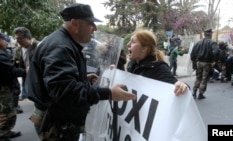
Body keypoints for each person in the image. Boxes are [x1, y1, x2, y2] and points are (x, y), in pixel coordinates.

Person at [26, 3, 136, 141]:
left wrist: (81, 78)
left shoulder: (62, 42)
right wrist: (108, 93)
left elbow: (57, 82)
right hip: (59, 125)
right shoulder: (60, 47)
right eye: (90, 23)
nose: (95, 28)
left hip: (58, 120)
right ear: (75, 23)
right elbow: (66, 92)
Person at [126, 29, 188, 96]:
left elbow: (176, 87)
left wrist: (182, 86)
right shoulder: (131, 65)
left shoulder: (159, 68)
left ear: (144, 48)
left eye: (133, 42)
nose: (128, 44)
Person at [0, 32, 26, 141]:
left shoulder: (3, 53)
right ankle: (3, 134)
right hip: (3, 88)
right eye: (4, 40)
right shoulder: (0, 55)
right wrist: (24, 71)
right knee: (7, 114)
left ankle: (6, 132)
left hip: (5, 86)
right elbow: (10, 71)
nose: (6, 42)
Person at [190, 29, 219, 100]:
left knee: (198, 77)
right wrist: (214, 61)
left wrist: (194, 63)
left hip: (199, 62)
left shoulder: (198, 42)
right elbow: (216, 52)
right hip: (207, 63)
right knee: (204, 78)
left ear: (205, 34)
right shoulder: (212, 43)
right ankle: (200, 94)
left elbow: (192, 54)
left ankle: (194, 93)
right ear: (210, 34)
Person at [12, 27, 39, 101]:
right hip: (26, 75)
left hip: (38, 75)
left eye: (19, 38)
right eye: (16, 39)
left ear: (27, 37)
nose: (17, 41)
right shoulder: (17, 50)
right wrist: (20, 69)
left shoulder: (39, 46)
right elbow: (16, 64)